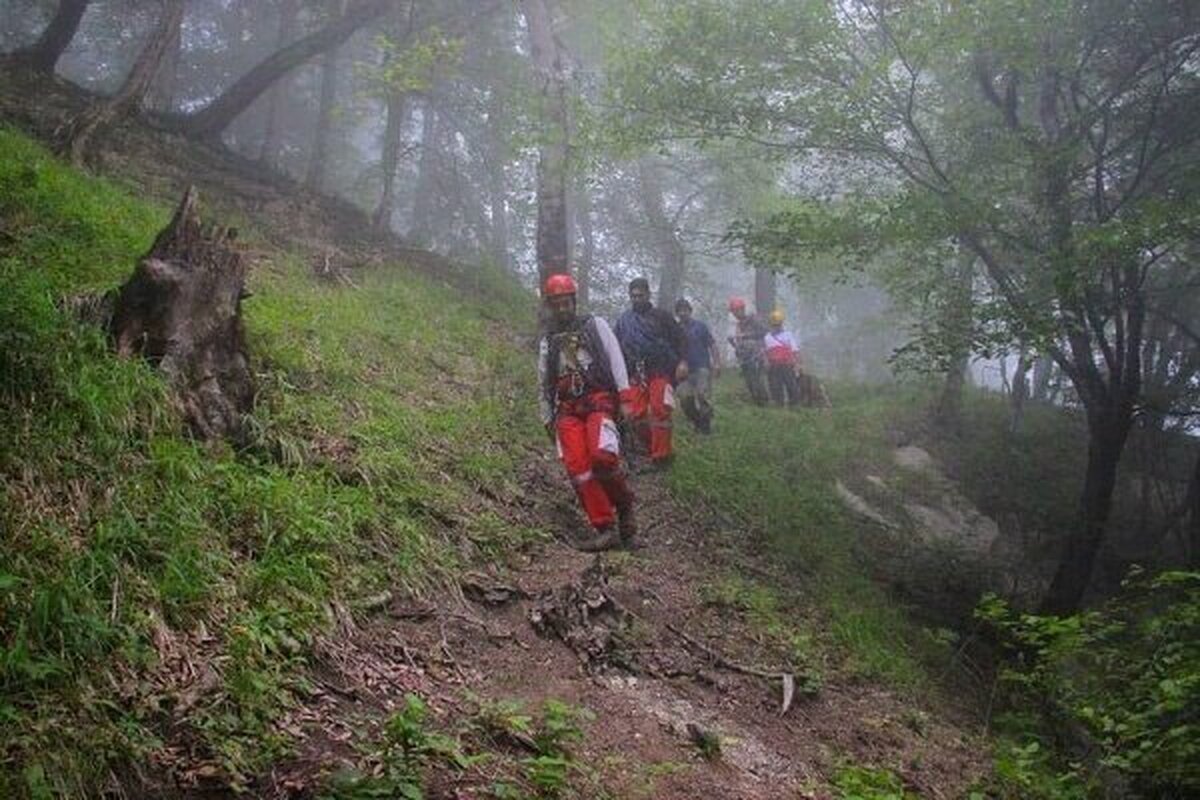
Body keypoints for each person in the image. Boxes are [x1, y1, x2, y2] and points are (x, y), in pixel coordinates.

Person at [538, 273, 638, 550]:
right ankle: (604, 526)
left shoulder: (595, 325)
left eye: (565, 302)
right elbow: (543, 379)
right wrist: (546, 415)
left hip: (599, 399)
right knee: (578, 468)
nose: (561, 308)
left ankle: (624, 504)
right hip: (568, 408)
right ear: (550, 305)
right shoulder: (549, 339)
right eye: (556, 303)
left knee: (602, 457)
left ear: (573, 300)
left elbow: (615, 358)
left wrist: (626, 397)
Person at [614, 277, 688, 466]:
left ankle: (662, 456)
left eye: (640, 295)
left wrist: (682, 362)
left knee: (659, 411)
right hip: (635, 372)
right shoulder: (624, 321)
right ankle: (649, 447)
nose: (636, 299)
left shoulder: (662, 316)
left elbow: (680, 339)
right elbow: (615, 348)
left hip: (660, 369)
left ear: (647, 294)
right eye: (633, 296)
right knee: (636, 415)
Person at [674, 298, 720, 434]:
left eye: (685, 310)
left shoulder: (700, 326)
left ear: (690, 311)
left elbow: (712, 344)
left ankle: (706, 428)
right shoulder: (675, 329)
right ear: (676, 313)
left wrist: (717, 363)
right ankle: (697, 421)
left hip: (702, 367)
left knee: (703, 396)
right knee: (684, 398)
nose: (683, 313)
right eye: (680, 310)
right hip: (683, 372)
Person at [727, 297, 769, 406]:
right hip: (744, 357)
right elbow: (739, 344)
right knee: (749, 380)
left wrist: (745, 335)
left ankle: (764, 401)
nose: (735, 313)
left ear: (742, 309)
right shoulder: (739, 325)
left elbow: (764, 332)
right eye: (734, 311)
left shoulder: (754, 319)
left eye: (737, 310)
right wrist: (733, 342)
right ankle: (756, 401)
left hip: (756, 354)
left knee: (758, 379)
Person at [764, 309, 803, 407]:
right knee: (776, 388)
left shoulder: (788, 335)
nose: (776, 327)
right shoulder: (767, 337)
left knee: (792, 387)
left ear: (781, 324)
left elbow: (795, 351)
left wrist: (798, 364)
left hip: (787, 365)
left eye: (778, 325)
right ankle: (779, 407)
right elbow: (765, 353)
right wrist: (766, 363)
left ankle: (795, 407)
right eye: (774, 325)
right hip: (774, 367)